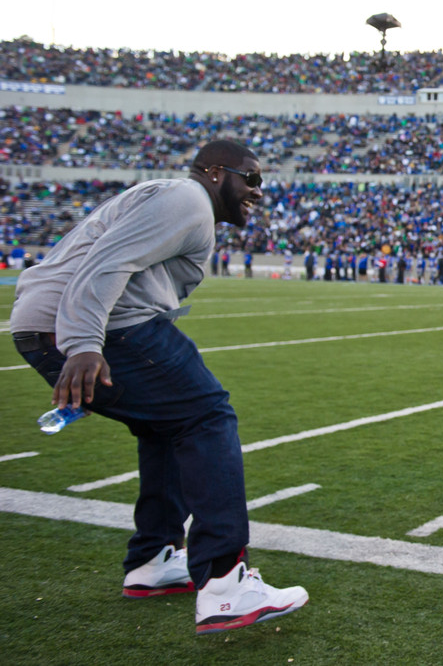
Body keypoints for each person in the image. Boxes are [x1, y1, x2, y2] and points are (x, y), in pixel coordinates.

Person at [9, 139, 308, 635]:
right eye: (250, 178)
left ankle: (155, 558)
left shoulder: (175, 199)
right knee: (207, 415)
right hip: (93, 329)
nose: (258, 191)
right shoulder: (187, 199)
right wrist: (83, 343)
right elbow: (107, 260)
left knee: (168, 425)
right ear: (215, 172)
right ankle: (225, 581)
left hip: (53, 327)